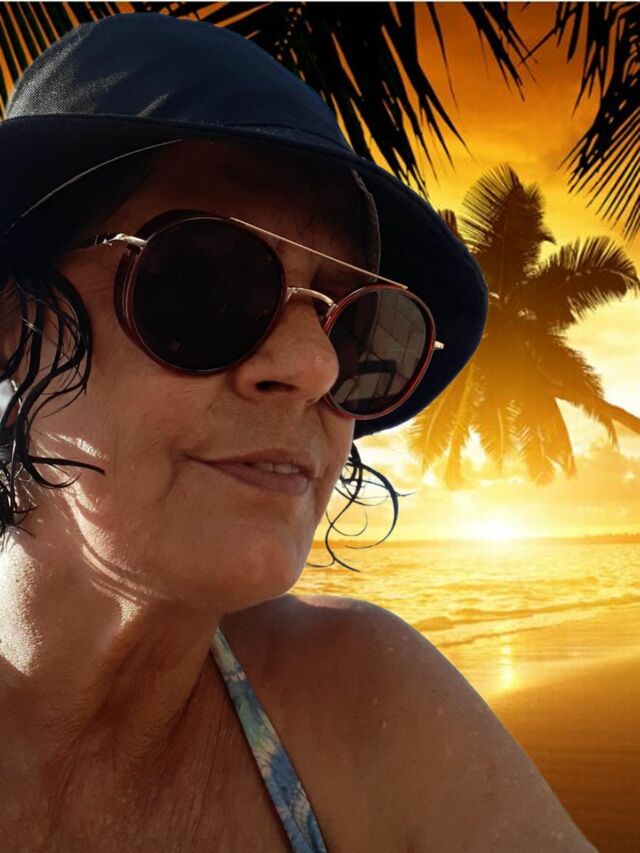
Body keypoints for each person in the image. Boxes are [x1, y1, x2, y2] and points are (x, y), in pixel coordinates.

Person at [0, 13, 597, 853]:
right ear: (13, 323)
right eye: (207, 283)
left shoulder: (364, 696)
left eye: (358, 324)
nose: (315, 366)